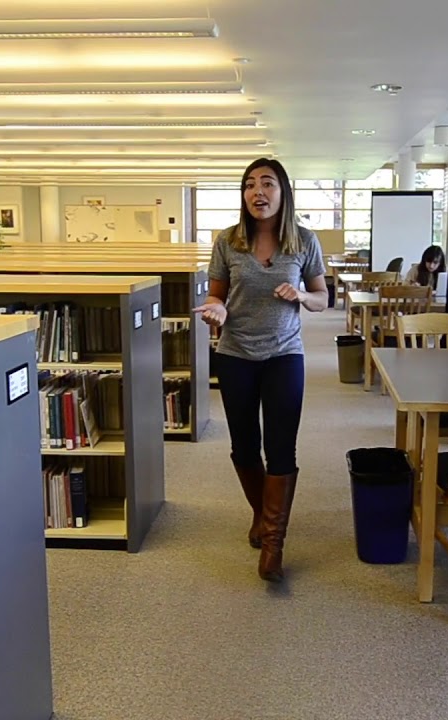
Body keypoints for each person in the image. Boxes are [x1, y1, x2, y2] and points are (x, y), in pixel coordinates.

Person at [192, 158, 328, 583]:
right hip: (235, 354)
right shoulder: (227, 242)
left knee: (281, 447)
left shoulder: (304, 241)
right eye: (250, 185)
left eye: (267, 184)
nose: (258, 192)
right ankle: (262, 515)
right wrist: (214, 311)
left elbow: (325, 298)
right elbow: (218, 296)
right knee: (245, 448)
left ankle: (273, 542)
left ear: (283, 192)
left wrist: (303, 295)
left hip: (285, 354)